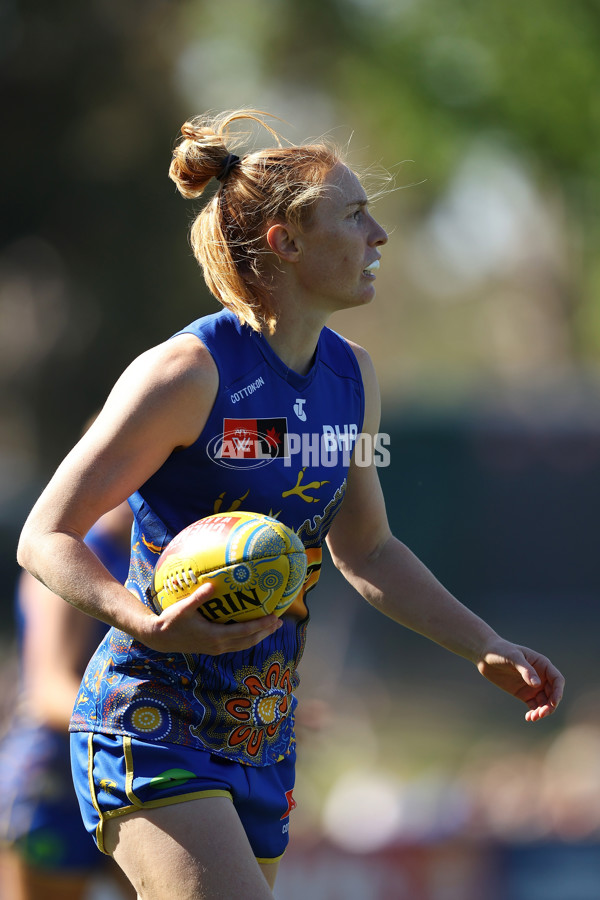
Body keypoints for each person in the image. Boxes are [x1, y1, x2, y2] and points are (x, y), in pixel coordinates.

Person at [16, 109, 564, 900]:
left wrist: (481, 643)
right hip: (150, 710)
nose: (379, 236)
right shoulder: (185, 374)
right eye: (355, 214)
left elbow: (367, 550)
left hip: (260, 726)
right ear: (286, 242)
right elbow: (45, 534)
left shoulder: (355, 380)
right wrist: (142, 620)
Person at [1, 501, 136, 900]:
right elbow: (49, 691)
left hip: (132, 766)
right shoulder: (72, 554)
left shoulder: (157, 557)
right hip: (56, 776)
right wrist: (161, 718)